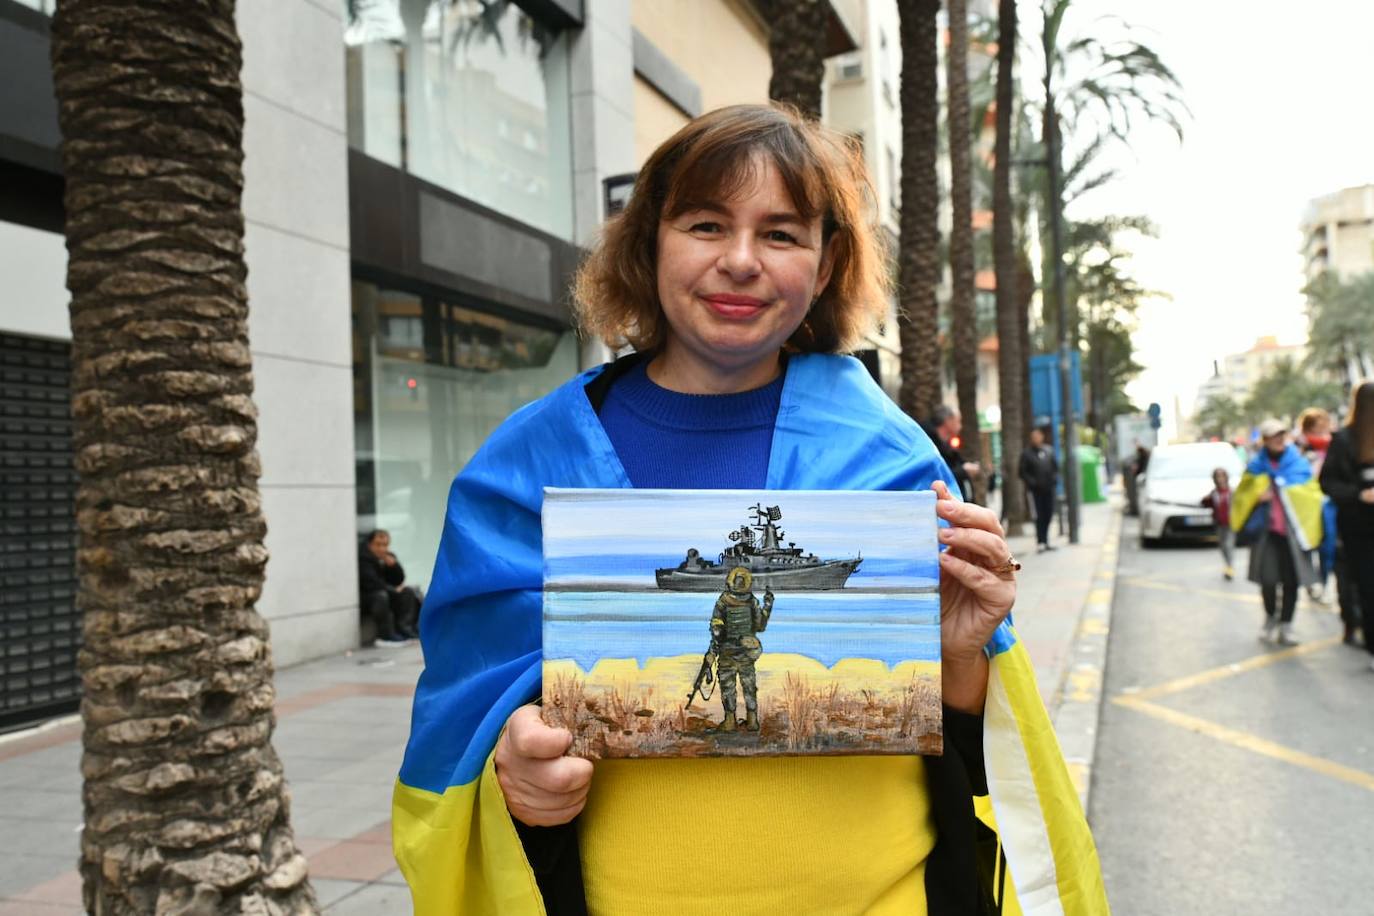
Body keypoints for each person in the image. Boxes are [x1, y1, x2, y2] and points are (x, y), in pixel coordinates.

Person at [391, 104, 1105, 916]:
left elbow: (967, 743)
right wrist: (510, 771)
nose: (739, 261)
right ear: (649, 241)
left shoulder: (891, 457)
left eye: (781, 234)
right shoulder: (525, 468)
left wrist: (962, 653)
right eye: (704, 225)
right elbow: (467, 713)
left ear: (828, 262)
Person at [1231, 419, 1323, 646]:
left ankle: (1287, 625)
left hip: (1293, 533)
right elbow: (1241, 496)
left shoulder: (1298, 463)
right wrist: (1256, 498)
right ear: (1265, 440)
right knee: (1268, 580)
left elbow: (1312, 493)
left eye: (1282, 434)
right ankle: (1270, 617)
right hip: (1266, 533)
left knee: (1292, 581)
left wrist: (1288, 490)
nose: (1280, 438)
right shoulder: (1255, 467)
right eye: (1274, 435)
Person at [1319, 382, 1374, 665]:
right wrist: (1359, 494)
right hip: (1358, 526)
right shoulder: (1344, 440)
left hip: (1356, 526)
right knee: (1366, 585)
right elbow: (1327, 482)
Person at [710, 566, 774, 731]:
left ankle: (730, 721)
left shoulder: (723, 601)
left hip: (727, 652)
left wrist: (714, 648)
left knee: (727, 686)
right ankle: (752, 721)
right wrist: (767, 606)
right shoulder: (752, 601)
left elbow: (716, 628)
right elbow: (760, 626)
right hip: (746, 652)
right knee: (749, 686)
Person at [358, 529, 419, 645]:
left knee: (408, 591)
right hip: (368, 597)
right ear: (369, 544)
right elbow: (371, 583)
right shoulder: (363, 559)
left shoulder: (388, 557)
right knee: (381, 596)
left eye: (385, 545)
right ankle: (385, 635)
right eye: (378, 545)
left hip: (386, 593)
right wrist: (393, 590)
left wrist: (393, 566)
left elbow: (399, 579)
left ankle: (405, 628)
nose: (382, 548)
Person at [922, 405, 981, 503]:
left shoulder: (947, 445)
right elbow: (936, 477)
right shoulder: (928, 445)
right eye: (958, 421)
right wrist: (963, 471)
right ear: (948, 421)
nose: (960, 426)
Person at [1019, 427, 1059, 552]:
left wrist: (1053, 480)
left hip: (1048, 490)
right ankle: (1040, 541)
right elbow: (1022, 472)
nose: (1036, 439)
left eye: (1038, 436)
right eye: (1033, 437)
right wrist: (1033, 483)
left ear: (1042, 437)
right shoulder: (1026, 454)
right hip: (1035, 492)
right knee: (1038, 516)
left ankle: (1046, 540)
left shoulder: (1049, 451)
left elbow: (1055, 467)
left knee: (1048, 514)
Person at [1202, 467, 1236, 580]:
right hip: (1219, 523)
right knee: (1222, 546)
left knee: (1228, 545)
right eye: (1218, 477)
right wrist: (1205, 500)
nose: (1220, 479)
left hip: (1231, 523)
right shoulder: (1214, 493)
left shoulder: (1232, 492)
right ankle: (1227, 564)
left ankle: (1230, 567)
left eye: (1222, 476)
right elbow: (1207, 504)